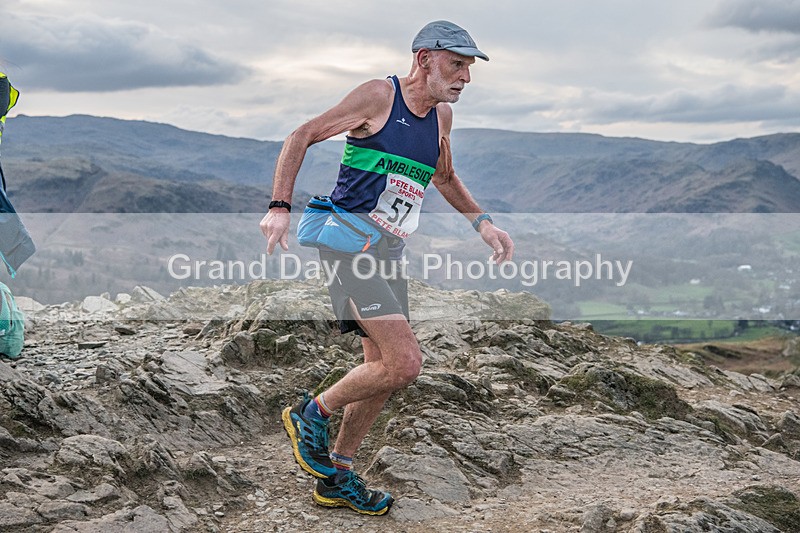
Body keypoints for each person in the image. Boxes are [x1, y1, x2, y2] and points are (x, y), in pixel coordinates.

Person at [260, 20, 514, 516]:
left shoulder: (441, 117)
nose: (466, 76)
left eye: (469, 67)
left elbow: (443, 176)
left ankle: (337, 474)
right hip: (349, 249)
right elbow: (302, 134)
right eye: (457, 64)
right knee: (405, 364)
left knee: (380, 369)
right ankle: (310, 412)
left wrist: (483, 224)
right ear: (425, 59)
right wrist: (279, 205)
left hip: (388, 252)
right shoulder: (379, 96)